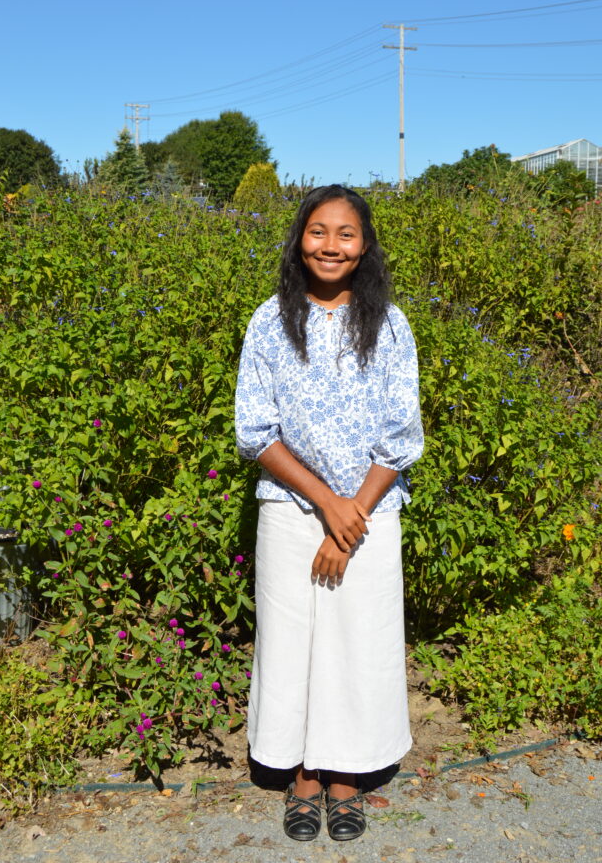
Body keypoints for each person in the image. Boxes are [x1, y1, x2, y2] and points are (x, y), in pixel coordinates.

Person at [235, 184, 423, 842]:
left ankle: (346, 776)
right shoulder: (268, 321)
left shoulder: (390, 324)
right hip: (290, 510)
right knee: (292, 643)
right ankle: (302, 776)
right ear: (298, 239)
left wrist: (352, 518)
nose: (331, 245)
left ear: (364, 244)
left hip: (370, 513)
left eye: (345, 233)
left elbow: (400, 437)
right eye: (318, 231)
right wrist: (326, 505)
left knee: (358, 640)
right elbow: (255, 431)